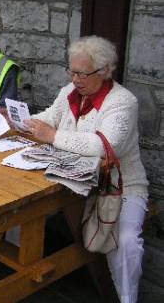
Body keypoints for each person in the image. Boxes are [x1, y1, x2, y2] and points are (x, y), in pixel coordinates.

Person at [21, 35, 148, 303]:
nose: (75, 79)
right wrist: (21, 121)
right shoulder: (70, 92)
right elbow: (48, 118)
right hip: (72, 180)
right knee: (19, 207)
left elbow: (104, 145)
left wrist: (53, 136)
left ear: (104, 71)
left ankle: (127, 298)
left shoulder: (123, 102)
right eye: (72, 71)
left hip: (118, 186)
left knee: (125, 242)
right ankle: (17, 274)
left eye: (82, 73)